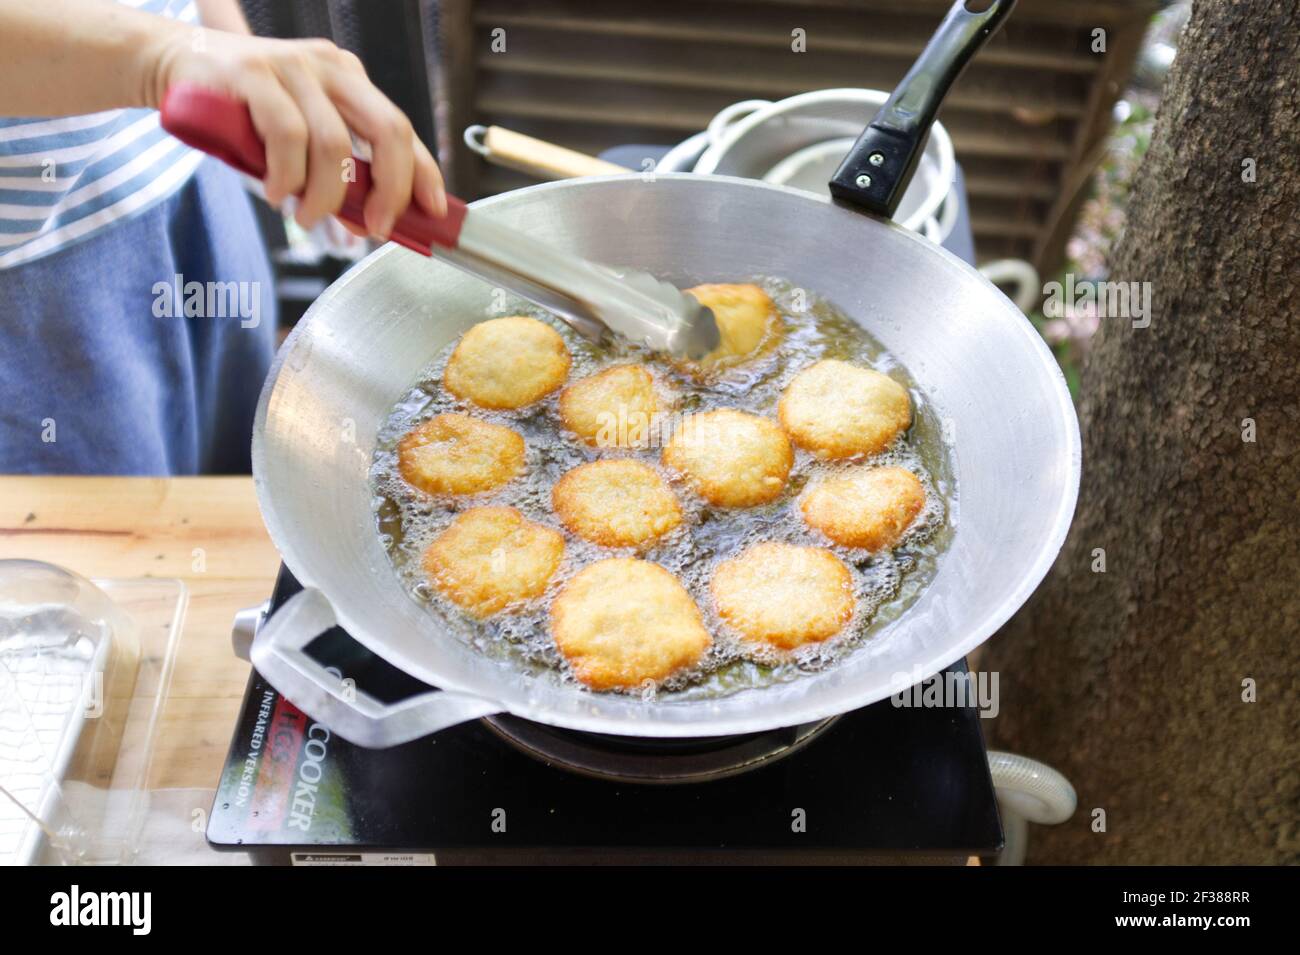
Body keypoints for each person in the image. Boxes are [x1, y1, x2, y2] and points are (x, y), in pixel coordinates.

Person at [0, 0, 447, 474]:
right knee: (104, 536)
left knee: (248, 481)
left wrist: (246, 69)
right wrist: (161, 58)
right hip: (34, 283)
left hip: (197, 180)